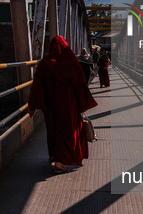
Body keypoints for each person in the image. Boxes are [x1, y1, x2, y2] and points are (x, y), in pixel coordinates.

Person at [29, 36, 98, 173]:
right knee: (68, 131)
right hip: (69, 105)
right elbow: (80, 85)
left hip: (50, 105)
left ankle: (56, 157)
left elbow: (37, 86)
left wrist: (32, 105)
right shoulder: (72, 62)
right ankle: (61, 161)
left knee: (53, 130)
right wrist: (82, 104)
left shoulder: (45, 63)